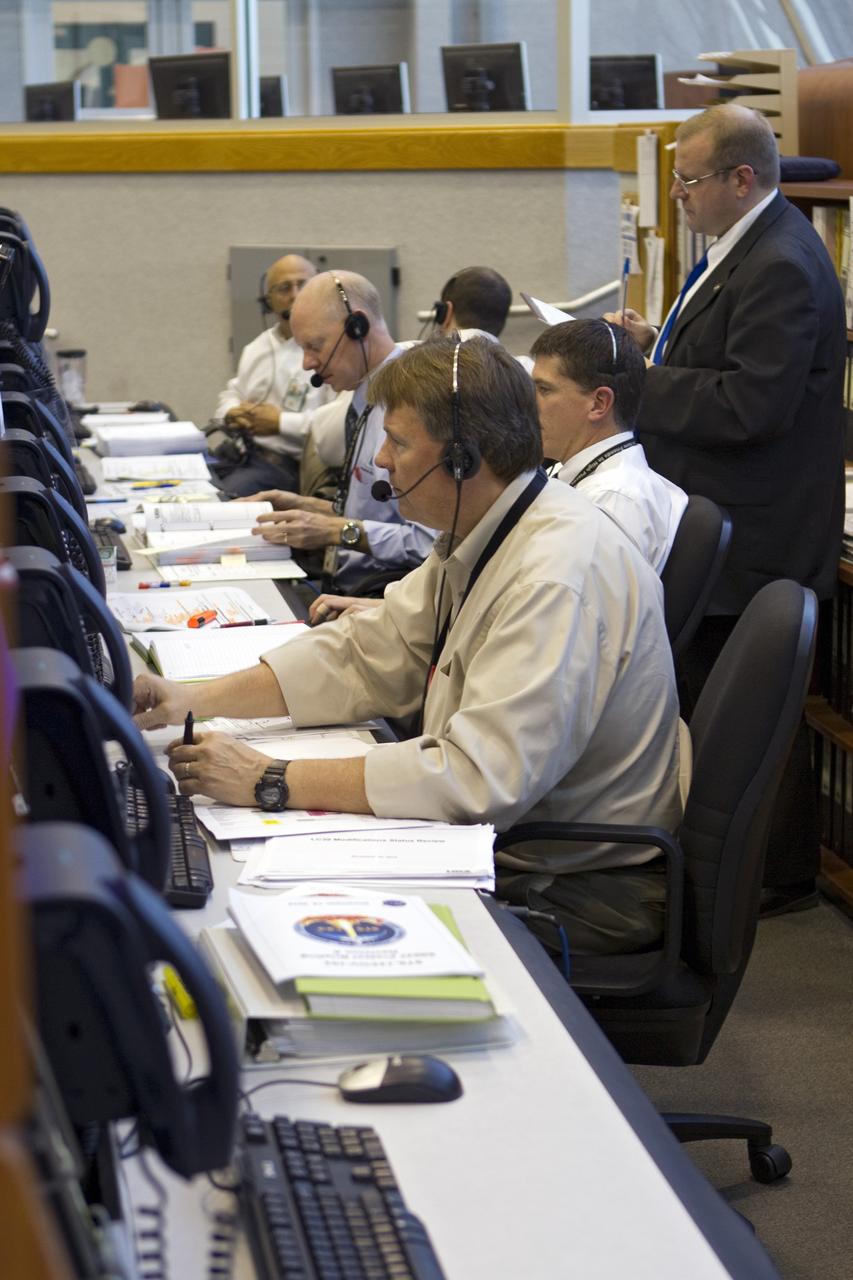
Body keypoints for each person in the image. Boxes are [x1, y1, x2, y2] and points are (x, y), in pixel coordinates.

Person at [134, 337, 683, 957]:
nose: (382, 462)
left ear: (459, 460)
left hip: (575, 881)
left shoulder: (553, 575)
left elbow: (478, 779)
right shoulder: (490, 528)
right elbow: (367, 652)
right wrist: (192, 698)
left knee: (293, 932)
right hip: (518, 840)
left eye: (398, 442)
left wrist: (272, 779)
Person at [605, 103, 847, 915]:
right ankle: (749, 872)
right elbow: (716, 360)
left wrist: (636, 386)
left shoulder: (780, 260)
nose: (677, 195)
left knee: (744, 711)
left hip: (760, 526)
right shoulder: (736, 246)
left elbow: (751, 405)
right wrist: (653, 346)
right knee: (718, 695)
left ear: (741, 179)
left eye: (689, 180)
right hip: (725, 512)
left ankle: (769, 881)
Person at [241, 270, 437, 595]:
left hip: (383, 595)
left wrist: (339, 531)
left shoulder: (413, 405)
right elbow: (379, 515)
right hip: (344, 588)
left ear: (357, 327)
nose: (306, 363)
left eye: (315, 346)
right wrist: (307, 509)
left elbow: (431, 542)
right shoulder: (361, 398)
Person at [530, 318, 687, 572]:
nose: (530, 403)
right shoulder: (599, 476)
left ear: (599, 403)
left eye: (544, 390)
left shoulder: (611, 501)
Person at [212, 253, 333, 496]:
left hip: (292, 467)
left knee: (220, 500)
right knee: (193, 485)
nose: (295, 294)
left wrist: (280, 423)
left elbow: (335, 427)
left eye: (303, 285)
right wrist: (231, 412)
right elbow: (232, 392)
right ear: (268, 301)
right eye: (284, 288)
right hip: (246, 455)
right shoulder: (258, 347)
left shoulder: (335, 348)